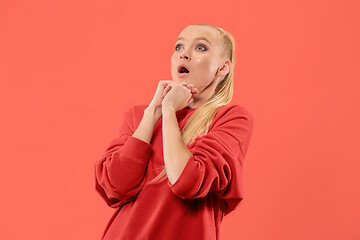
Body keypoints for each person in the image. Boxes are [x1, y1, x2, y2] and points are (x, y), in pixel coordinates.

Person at [94, 23, 254, 240]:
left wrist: (169, 111)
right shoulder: (138, 116)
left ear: (223, 68)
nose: (184, 55)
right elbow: (116, 185)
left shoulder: (231, 118)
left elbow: (186, 181)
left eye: (200, 48)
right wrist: (154, 111)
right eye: (179, 47)